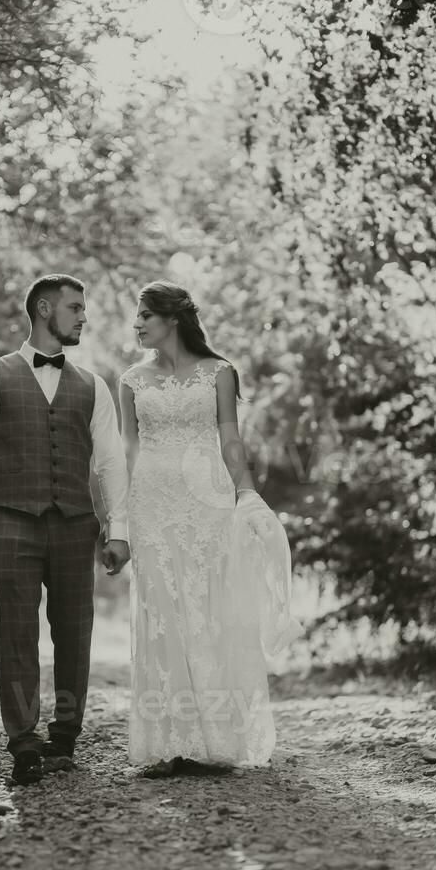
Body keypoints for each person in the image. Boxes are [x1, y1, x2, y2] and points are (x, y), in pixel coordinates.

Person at [0, 273, 130, 786]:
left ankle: (65, 734)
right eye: (75, 307)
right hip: (11, 521)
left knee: (75, 636)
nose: (83, 316)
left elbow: (111, 463)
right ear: (45, 310)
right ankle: (24, 741)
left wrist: (118, 529)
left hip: (76, 524)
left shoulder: (94, 386)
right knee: (18, 635)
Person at [119, 280, 302, 778]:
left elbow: (230, 439)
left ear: (171, 319)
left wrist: (246, 492)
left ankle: (215, 738)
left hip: (208, 504)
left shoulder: (219, 373)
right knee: (161, 613)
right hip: (151, 506)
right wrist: (117, 517)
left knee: (209, 608)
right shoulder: (131, 381)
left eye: (143, 316)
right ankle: (165, 743)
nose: (135, 325)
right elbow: (128, 450)